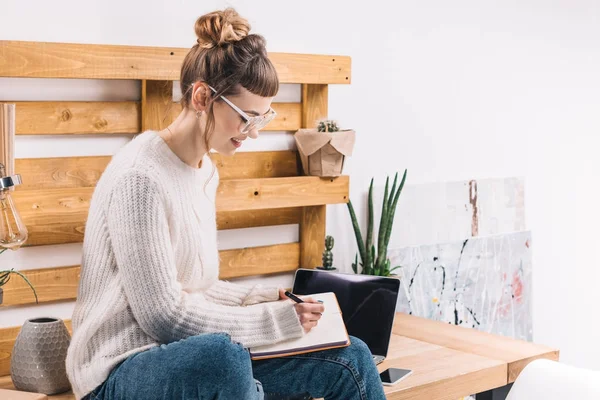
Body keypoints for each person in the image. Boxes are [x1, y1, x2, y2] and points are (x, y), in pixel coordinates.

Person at [65, 8, 386, 400]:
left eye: (262, 119)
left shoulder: (203, 171)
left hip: (190, 360)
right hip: (118, 371)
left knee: (352, 358)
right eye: (245, 118)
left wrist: (266, 298)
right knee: (226, 360)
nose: (252, 134)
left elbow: (195, 287)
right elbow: (165, 316)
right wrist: (273, 321)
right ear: (203, 97)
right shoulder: (140, 179)